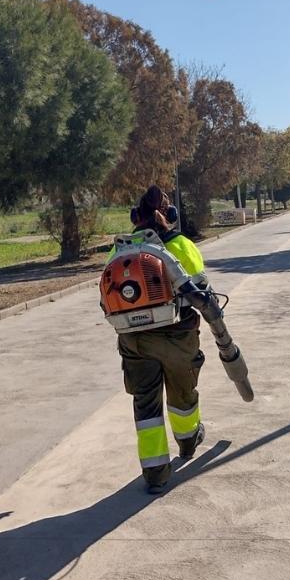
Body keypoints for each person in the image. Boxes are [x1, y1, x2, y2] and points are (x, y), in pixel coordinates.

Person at [112, 186, 208, 494]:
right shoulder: (180, 244)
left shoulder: (120, 250)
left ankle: (155, 473)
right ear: (170, 216)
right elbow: (202, 288)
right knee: (182, 397)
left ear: (134, 217)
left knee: (146, 406)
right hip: (178, 337)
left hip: (134, 342)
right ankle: (188, 440)